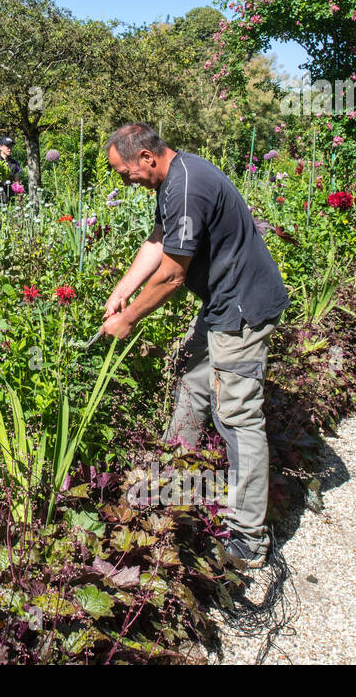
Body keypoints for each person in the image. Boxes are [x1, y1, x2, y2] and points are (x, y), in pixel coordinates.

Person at [99, 123, 289, 571]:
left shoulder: (186, 185)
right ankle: (169, 473)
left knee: (238, 416)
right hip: (221, 304)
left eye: (126, 173)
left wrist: (128, 320)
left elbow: (172, 275)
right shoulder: (176, 177)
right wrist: (123, 290)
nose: (126, 181)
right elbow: (158, 243)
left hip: (241, 310)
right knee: (190, 373)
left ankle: (248, 536)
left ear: (147, 157)